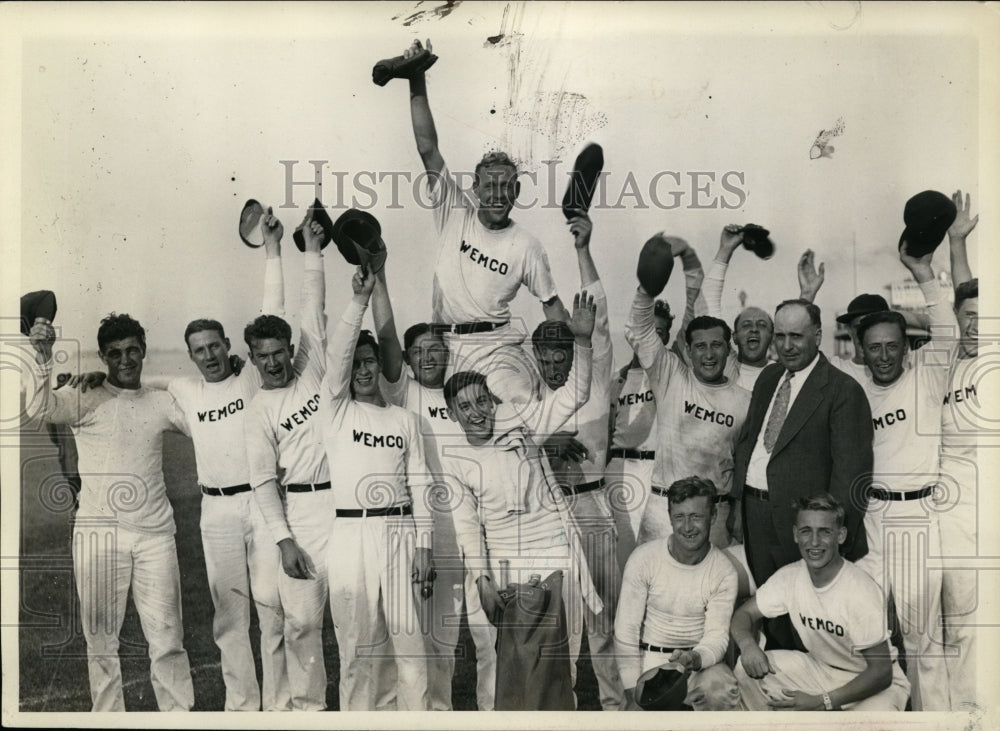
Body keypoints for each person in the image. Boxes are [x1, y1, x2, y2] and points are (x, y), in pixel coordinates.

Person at [440, 292, 605, 708]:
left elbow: (574, 396)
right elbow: (465, 524)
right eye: (465, 407)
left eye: (482, 401)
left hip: (554, 551)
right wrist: (482, 578)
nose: (477, 412)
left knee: (560, 668)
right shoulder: (455, 458)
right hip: (504, 561)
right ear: (452, 414)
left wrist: (582, 342)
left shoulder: (522, 420)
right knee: (510, 669)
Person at [26, 313, 195, 712]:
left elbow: (204, 421)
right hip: (98, 537)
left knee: (168, 641)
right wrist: (43, 358)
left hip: (156, 537)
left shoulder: (160, 402)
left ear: (144, 351)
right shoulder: (85, 396)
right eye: (115, 353)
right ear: (102, 355)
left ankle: (180, 719)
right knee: (101, 645)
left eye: (133, 350)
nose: (125, 359)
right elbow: (40, 407)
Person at [164, 208, 289, 711]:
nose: (210, 354)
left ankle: (280, 709)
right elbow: (132, 386)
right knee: (229, 616)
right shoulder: (184, 389)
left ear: (230, 347)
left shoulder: (250, 378)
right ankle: (242, 710)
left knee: (272, 607)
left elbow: (272, 311)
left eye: (216, 345)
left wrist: (273, 250)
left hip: (262, 504)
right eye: (200, 350)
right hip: (214, 512)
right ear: (190, 356)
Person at [402, 37, 569, 409]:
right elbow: (427, 148)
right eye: (489, 185)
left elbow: (552, 306)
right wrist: (415, 78)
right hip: (445, 346)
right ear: (474, 187)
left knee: (523, 405)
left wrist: (578, 349)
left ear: (517, 191)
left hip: (495, 348)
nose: (497, 194)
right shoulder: (454, 211)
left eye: (506, 186)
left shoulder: (526, 245)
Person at [370, 267, 497, 709]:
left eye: (436, 349)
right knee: (432, 640)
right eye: (419, 351)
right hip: (429, 535)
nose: (429, 357)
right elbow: (385, 340)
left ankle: (491, 716)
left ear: (448, 355)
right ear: (407, 359)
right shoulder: (404, 395)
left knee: (488, 637)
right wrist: (381, 279)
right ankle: (433, 716)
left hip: (478, 531)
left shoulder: (465, 395)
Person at [321, 265, 435, 711]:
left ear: (379, 365)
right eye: (355, 363)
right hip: (351, 537)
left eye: (369, 361)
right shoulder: (335, 412)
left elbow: (422, 485)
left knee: (410, 651)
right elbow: (336, 356)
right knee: (357, 651)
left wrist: (424, 546)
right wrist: (359, 300)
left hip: (402, 534)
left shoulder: (404, 420)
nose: (362, 369)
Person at [729, 297, 873, 650]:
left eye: (797, 336)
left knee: (811, 622)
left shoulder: (842, 390)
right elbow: (750, 444)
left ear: (818, 336)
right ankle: (781, 686)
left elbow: (851, 476)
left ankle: (818, 697)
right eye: (780, 336)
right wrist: (737, 505)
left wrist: (829, 537)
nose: (787, 346)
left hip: (804, 526)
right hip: (756, 515)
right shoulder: (769, 377)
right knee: (773, 613)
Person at [851, 240, 955, 710]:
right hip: (872, 516)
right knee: (867, 633)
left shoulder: (925, 376)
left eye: (894, 346)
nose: (885, 356)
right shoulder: (853, 389)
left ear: (907, 347)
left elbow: (948, 330)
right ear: (861, 350)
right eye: (875, 348)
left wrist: (922, 271)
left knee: (923, 642)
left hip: (918, 517)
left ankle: (934, 719)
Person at [531, 211, 624, 710]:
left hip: (592, 508)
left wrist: (583, 250)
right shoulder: (530, 400)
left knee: (604, 622)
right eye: (543, 359)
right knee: (559, 626)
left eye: (559, 356)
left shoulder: (590, 385)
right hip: (547, 517)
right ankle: (561, 713)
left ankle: (616, 710)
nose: (552, 365)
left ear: (573, 352)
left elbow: (600, 317)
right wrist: (544, 445)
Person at [243, 212, 330, 711]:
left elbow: (310, 310)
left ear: (289, 351)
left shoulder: (311, 370)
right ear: (252, 359)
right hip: (299, 514)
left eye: (279, 352)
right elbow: (261, 481)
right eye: (263, 356)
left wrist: (311, 249)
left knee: (360, 614)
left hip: (344, 506)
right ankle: (308, 714)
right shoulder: (259, 408)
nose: (273, 362)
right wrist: (284, 540)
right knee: (301, 625)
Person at [625, 237, 751, 550]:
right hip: (664, 510)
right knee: (656, 596)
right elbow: (639, 329)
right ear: (688, 351)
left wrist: (736, 509)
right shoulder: (671, 376)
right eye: (700, 347)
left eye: (716, 345)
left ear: (728, 349)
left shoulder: (745, 401)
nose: (709, 354)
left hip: (716, 513)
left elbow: (744, 463)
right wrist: (646, 287)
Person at [731, 494, 910, 711]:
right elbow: (744, 615)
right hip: (822, 670)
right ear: (796, 534)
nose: (814, 542)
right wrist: (748, 645)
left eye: (825, 532)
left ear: (841, 535)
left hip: (875, 683)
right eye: (806, 531)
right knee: (745, 668)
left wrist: (823, 700)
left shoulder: (859, 589)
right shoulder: (790, 576)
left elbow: (881, 673)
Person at [607, 242, 705, 570]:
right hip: (619, 472)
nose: (653, 337)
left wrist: (688, 261)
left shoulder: (671, 372)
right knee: (619, 558)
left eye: (660, 332)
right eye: (648, 329)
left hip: (656, 470)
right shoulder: (617, 380)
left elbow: (693, 314)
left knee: (654, 558)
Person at [615, 477, 738, 711]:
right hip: (650, 662)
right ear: (670, 516)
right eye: (679, 517)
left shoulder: (723, 571)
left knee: (721, 690)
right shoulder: (644, 558)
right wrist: (633, 691)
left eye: (696, 517)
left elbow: (717, 637)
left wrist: (694, 658)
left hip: (697, 665)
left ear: (713, 516)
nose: (688, 527)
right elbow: (625, 630)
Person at [938, 189, 982, 710]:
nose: (974, 324)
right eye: (967, 317)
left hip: (984, 501)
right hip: (949, 506)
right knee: (954, 615)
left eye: (983, 316)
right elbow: (958, 293)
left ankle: (973, 711)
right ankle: (953, 712)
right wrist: (955, 243)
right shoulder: (952, 359)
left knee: (977, 621)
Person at [702, 225, 775, 391]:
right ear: (733, 337)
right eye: (746, 325)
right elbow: (707, 307)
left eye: (762, 325)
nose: (754, 329)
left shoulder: (782, 374)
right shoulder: (725, 367)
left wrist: (807, 294)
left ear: (772, 337)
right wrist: (725, 249)